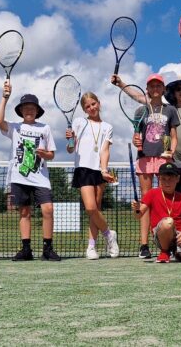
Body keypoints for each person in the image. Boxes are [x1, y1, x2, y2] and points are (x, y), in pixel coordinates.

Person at [111, 73, 179, 259]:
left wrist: (170, 153)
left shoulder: (170, 110)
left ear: (163, 89)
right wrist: (136, 141)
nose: (155, 89)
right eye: (152, 86)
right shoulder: (141, 111)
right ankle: (144, 246)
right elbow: (137, 138)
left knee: (166, 202)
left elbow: (173, 137)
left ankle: (167, 245)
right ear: (147, 89)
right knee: (145, 202)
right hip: (144, 159)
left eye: (159, 86)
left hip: (163, 160)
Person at [0, 81, 61, 261]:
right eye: (25, 108)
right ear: (21, 111)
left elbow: (51, 154)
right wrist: (4, 97)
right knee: (24, 212)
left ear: (37, 110)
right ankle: (26, 250)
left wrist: (44, 153)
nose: (29, 110)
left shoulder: (45, 128)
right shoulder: (15, 127)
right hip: (19, 177)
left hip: (40, 178)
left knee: (48, 209)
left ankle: (47, 249)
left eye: (32, 108)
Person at [65, 92, 120, 260]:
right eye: (87, 106)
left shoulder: (107, 127)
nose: (91, 108)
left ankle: (91, 247)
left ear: (99, 103)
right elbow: (70, 149)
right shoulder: (79, 122)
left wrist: (104, 171)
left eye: (93, 104)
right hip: (83, 169)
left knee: (96, 209)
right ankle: (109, 234)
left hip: (99, 170)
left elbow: (105, 150)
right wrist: (70, 139)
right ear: (84, 109)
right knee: (90, 208)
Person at [130, 163, 181, 263]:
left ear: (177, 179)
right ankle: (165, 251)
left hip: (180, 236)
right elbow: (139, 215)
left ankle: (177, 252)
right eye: (164, 179)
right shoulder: (152, 193)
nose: (167, 182)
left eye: (171, 179)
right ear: (159, 179)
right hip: (162, 234)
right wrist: (136, 209)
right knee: (168, 222)